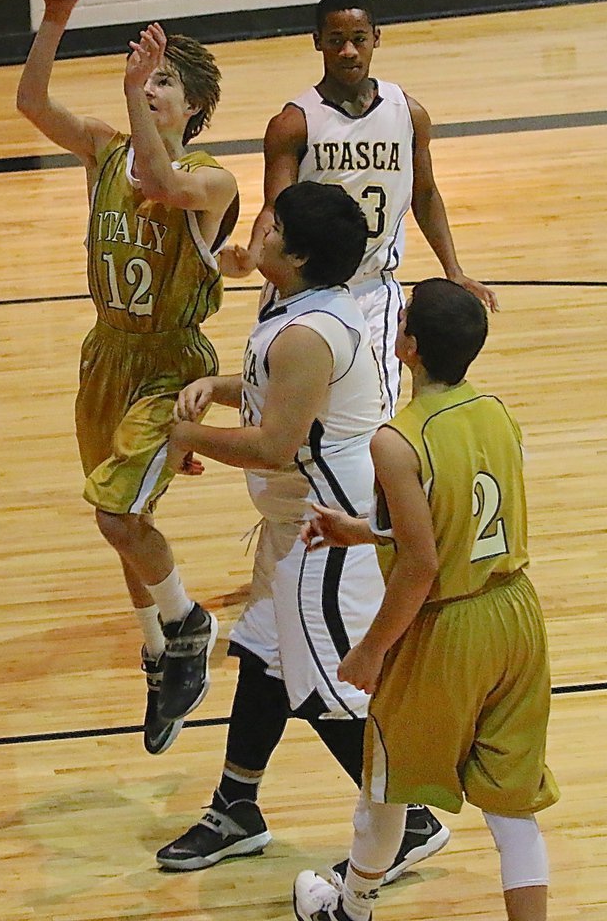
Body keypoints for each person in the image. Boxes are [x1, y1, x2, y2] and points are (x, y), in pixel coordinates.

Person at [155, 182, 449, 882]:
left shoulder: (309, 332)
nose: (260, 227)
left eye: (275, 223)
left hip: (326, 529)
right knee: (262, 657)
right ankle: (237, 809)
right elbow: (282, 391)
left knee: (332, 692)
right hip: (294, 521)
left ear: (300, 254)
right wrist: (218, 387)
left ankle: (411, 821)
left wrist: (182, 435)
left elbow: (275, 444)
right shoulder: (300, 309)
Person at [293, 277, 559, 921]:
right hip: (517, 615)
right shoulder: (497, 410)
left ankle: (350, 909)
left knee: (386, 780)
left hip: (447, 628)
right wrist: (360, 531)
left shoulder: (396, 439)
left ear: (407, 345)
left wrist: (369, 650)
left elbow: (421, 565)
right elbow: (459, 518)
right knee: (510, 804)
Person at [17, 0, 239, 757]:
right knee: (121, 526)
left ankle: (188, 624)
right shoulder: (106, 150)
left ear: (196, 105)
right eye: (145, 76)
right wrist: (55, 11)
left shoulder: (212, 179)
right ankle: (158, 657)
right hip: (105, 355)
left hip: (167, 367)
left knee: (117, 514)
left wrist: (127, 99)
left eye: (164, 82)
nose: (148, 87)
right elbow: (32, 100)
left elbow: (161, 181)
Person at [221, 0, 498, 417]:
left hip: (374, 290)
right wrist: (254, 255)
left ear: (376, 38)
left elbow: (424, 194)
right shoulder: (294, 123)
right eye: (335, 40)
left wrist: (454, 270)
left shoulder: (409, 113)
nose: (348, 51)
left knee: (375, 418)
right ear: (318, 42)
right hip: (304, 287)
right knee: (288, 412)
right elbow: (275, 205)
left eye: (358, 38)